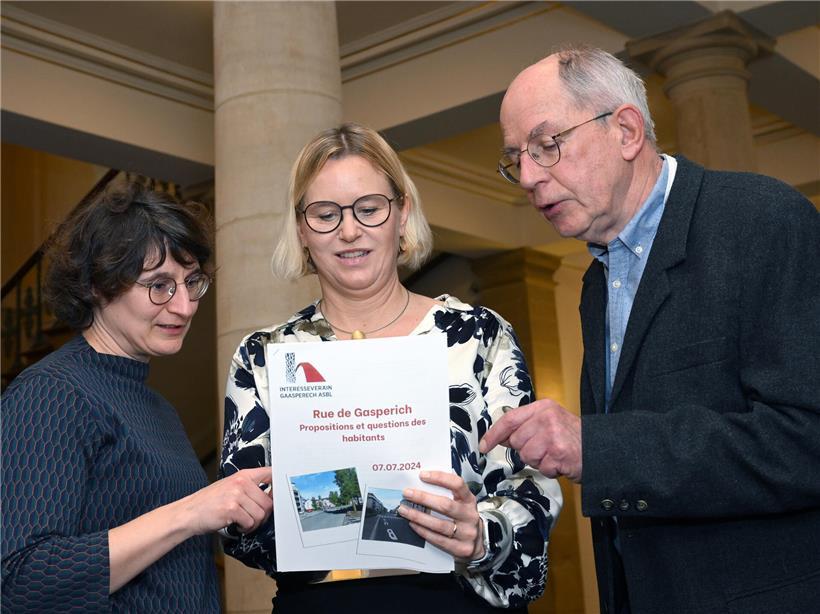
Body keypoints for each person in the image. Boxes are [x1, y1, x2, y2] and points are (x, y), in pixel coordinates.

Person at [480, 44, 820, 614]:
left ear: (627, 131)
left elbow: (805, 439)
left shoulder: (761, 221)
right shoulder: (599, 279)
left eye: (546, 145)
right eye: (516, 157)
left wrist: (598, 448)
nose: (529, 177)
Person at [219, 123, 562, 612]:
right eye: (324, 214)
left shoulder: (477, 337)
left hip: (457, 600)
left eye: (369, 208)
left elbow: (530, 482)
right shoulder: (265, 356)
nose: (350, 230)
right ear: (301, 229)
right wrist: (255, 513)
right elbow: (241, 523)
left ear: (402, 213)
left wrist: (482, 534)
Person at [1, 179, 274, 612]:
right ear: (97, 286)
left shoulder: (158, 408)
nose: (184, 306)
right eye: (159, 285)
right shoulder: (50, 394)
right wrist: (189, 513)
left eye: (191, 282)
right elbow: (22, 581)